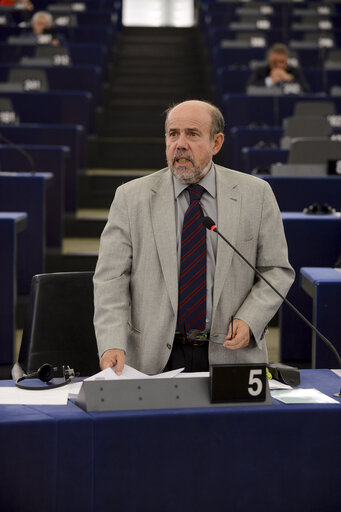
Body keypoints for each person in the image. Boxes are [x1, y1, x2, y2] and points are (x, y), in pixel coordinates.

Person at [93, 100, 295, 375]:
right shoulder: (131, 198)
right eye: (173, 134)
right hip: (152, 359)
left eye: (193, 134)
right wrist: (111, 342)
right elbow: (111, 279)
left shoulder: (255, 195)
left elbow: (276, 270)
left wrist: (251, 319)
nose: (180, 143)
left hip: (230, 355)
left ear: (217, 143)